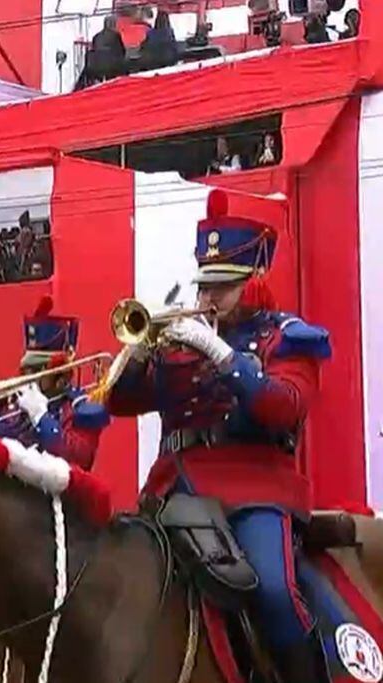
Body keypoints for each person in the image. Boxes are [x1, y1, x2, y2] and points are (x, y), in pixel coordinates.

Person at [107, 191, 331, 683]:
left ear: (256, 281)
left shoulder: (288, 337)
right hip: (175, 485)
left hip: (255, 488)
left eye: (223, 286)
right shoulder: (182, 338)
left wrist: (226, 359)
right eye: (205, 285)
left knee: (273, 588)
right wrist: (139, 356)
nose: (209, 298)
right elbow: (118, 404)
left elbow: (284, 407)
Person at [0, 297, 110, 470]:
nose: (28, 377)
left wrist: (40, 416)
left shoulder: (81, 408)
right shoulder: (12, 407)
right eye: (26, 370)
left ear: (60, 377)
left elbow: (79, 458)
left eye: (37, 371)